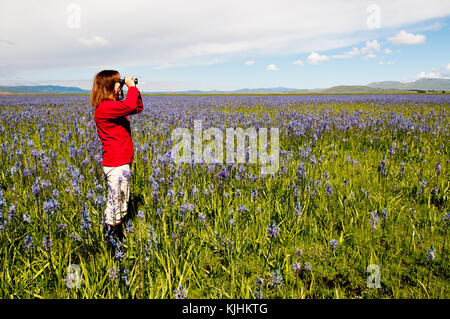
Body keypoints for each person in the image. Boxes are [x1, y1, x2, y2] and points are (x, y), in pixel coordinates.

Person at [90, 70, 143, 245]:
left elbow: (136, 107)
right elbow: (129, 106)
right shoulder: (105, 107)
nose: (120, 85)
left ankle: (116, 239)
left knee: (121, 202)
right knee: (117, 204)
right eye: (117, 82)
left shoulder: (112, 107)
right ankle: (112, 244)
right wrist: (131, 88)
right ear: (108, 86)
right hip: (117, 165)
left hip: (120, 163)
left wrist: (134, 89)